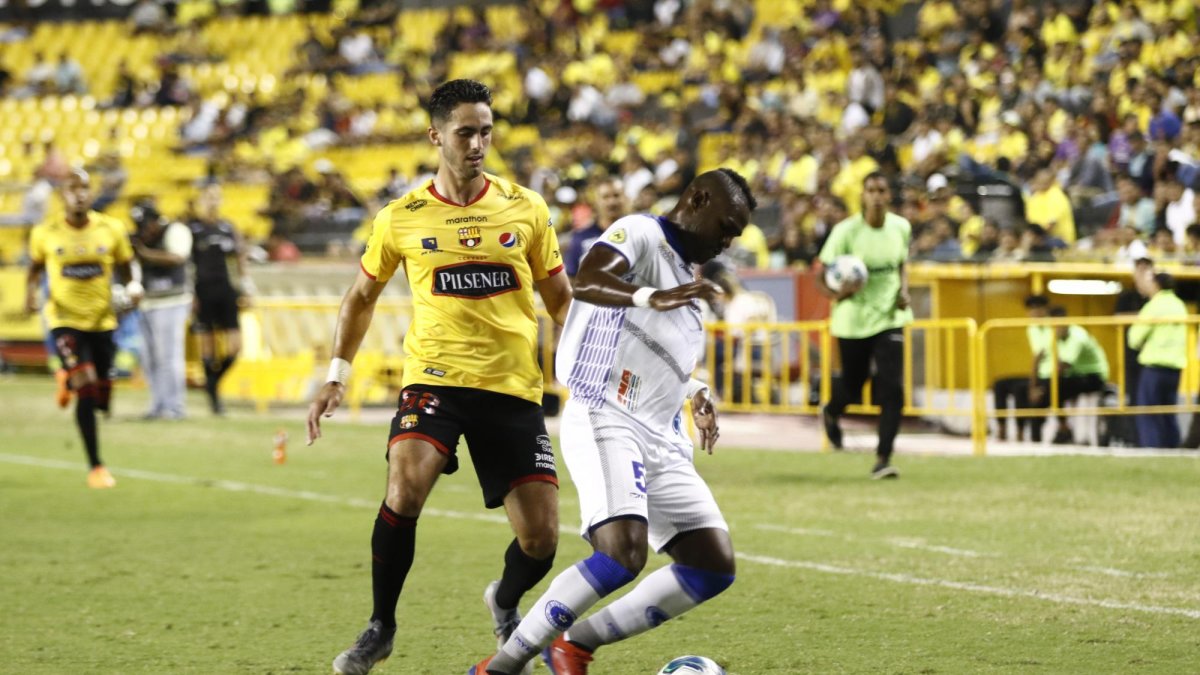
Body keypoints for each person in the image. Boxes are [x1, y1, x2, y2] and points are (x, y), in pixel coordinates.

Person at [305, 79, 573, 675]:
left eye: (486, 131)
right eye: (465, 132)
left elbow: (562, 302)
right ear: (436, 136)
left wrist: (587, 367)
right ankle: (381, 627)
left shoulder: (525, 208)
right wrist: (336, 374)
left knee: (541, 541)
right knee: (404, 487)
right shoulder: (401, 217)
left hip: (511, 388)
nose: (478, 143)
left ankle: (504, 600)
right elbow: (360, 297)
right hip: (435, 380)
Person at [470, 168, 755, 675]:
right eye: (727, 225)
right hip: (607, 413)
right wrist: (648, 295)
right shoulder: (642, 232)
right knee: (621, 552)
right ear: (699, 198)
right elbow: (591, 279)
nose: (727, 240)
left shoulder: (690, 283)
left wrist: (696, 392)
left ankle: (573, 646)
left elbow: (656, 358)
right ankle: (502, 666)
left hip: (662, 436)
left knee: (712, 564)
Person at [24, 169, 141, 488]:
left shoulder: (111, 229)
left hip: (103, 320)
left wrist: (133, 287)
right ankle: (96, 467)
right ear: (62, 194)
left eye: (85, 188)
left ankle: (67, 380)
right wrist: (30, 296)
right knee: (87, 387)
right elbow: (34, 269)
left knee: (102, 396)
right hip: (64, 320)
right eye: (73, 188)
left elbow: (126, 264)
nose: (80, 193)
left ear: (91, 193)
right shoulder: (45, 232)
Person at [818, 172, 912, 479]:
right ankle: (832, 412)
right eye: (870, 189)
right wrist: (836, 293)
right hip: (853, 320)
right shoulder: (846, 232)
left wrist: (904, 290)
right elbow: (821, 272)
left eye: (881, 189)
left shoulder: (901, 227)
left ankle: (883, 458)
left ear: (888, 195)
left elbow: (901, 264)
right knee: (854, 384)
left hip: (889, 318)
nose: (875, 195)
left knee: (892, 389)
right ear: (862, 195)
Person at [189, 182, 252, 415]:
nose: (213, 201)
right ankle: (215, 401)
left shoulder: (228, 228)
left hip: (226, 291)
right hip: (202, 291)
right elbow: (187, 264)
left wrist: (245, 289)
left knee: (236, 347)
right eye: (208, 197)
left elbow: (240, 261)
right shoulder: (193, 230)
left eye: (217, 197)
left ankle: (213, 382)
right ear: (201, 200)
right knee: (208, 348)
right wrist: (190, 294)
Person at [131, 200, 193, 420]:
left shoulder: (176, 230)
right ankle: (158, 405)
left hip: (172, 301)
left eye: (146, 224)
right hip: (147, 302)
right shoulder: (139, 239)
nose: (144, 230)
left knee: (169, 357)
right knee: (149, 358)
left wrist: (145, 253)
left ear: (156, 220)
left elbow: (178, 257)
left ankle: (175, 407)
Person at [1029, 306, 1110, 445]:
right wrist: (1034, 387)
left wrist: (1042, 390)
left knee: (1050, 390)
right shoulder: (1052, 333)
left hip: (1093, 376)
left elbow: (1063, 366)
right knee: (1044, 389)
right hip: (1073, 376)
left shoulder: (1078, 335)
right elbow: (1037, 358)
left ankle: (1055, 432)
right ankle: (1060, 429)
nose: (1056, 328)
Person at [1128, 268, 1188, 448]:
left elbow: (1134, 338)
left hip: (1154, 366)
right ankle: (1172, 450)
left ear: (1156, 284)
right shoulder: (1180, 305)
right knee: (1169, 412)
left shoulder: (1154, 305)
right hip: (1176, 366)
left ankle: (1152, 449)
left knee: (1148, 412)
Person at [992, 295, 1050, 442]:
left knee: (1020, 389)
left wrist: (1033, 386)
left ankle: (1020, 431)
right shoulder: (1033, 329)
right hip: (1039, 372)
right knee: (999, 384)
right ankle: (1002, 427)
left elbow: (1038, 359)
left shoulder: (1051, 327)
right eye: (1031, 309)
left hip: (1047, 374)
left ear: (1045, 310)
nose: (1034, 313)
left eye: (1038, 309)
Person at [562, 176, 626, 277]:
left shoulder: (638, 232)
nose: (612, 202)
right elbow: (571, 276)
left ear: (625, 198)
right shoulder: (580, 238)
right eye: (605, 197)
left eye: (616, 195)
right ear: (596, 202)